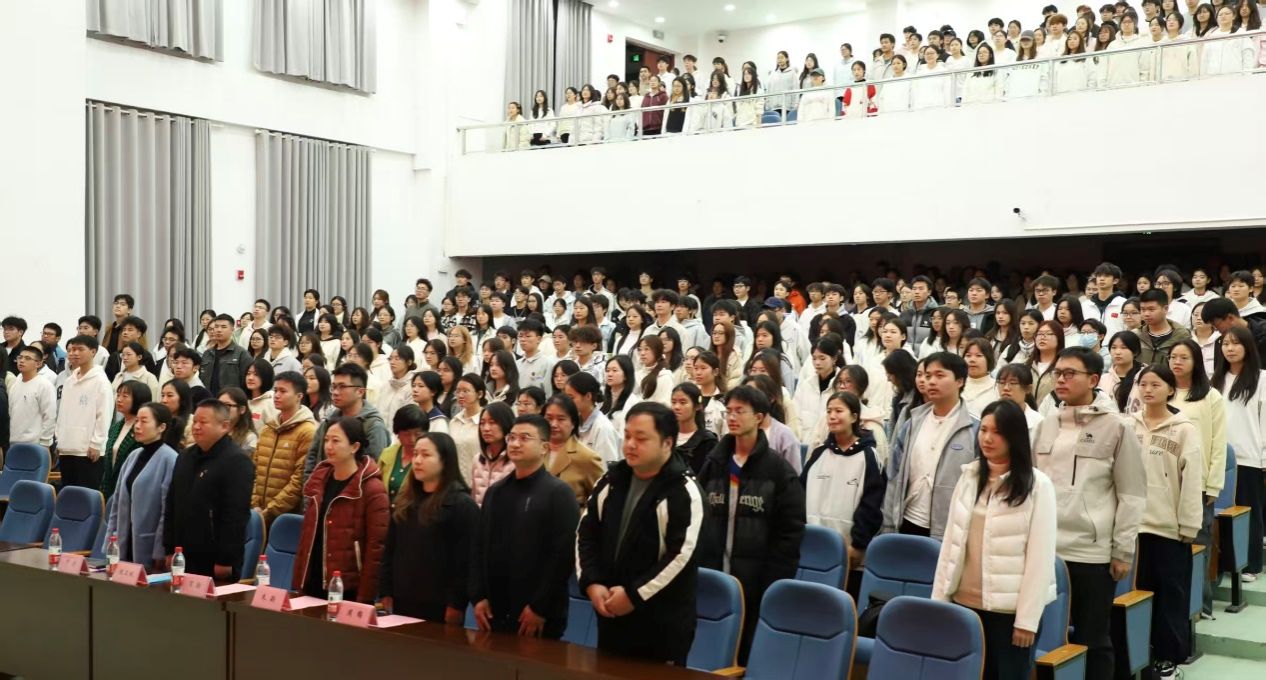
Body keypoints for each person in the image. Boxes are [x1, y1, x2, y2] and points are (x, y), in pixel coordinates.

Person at [1032, 346, 1145, 680]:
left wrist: (1122, 550)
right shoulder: (1045, 424)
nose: (1061, 380)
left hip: (1090, 551)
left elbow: (1132, 494)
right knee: (1045, 639)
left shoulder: (1117, 427)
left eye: (1070, 374)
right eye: (1058, 373)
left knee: (1092, 638)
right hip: (1046, 549)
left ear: (1094, 379)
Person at [932, 400, 1058, 680]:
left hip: (1009, 613)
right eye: (984, 430)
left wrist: (1027, 620)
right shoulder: (969, 476)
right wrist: (940, 601)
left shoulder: (1038, 486)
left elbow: (1040, 559)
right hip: (964, 605)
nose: (987, 438)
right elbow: (950, 544)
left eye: (997, 432)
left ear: (1014, 437)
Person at [576, 401, 705, 665]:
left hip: (661, 623)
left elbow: (680, 557)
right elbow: (586, 533)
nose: (630, 445)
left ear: (667, 443)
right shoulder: (612, 479)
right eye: (627, 436)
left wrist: (634, 595)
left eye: (641, 438)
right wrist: (592, 582)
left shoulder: (684, 491)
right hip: (611, 613)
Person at [695, 385, 806, 663]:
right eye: (728, 411)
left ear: (758, 417)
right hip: (714, 575)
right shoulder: (714, 463)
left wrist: (772, 581)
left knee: (746, 654)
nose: (732, 417)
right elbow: (697, 516)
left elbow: (790, 532)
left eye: (740, 411)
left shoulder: (778, 470)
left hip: (756, 582)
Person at [471, 415, 580, 639]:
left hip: (537, 613)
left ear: (544, 448)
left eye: (524, 438)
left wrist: (540, 607)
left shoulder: (559, 493)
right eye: (511, 438)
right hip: (495, 609)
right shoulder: (496, 491)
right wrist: (478, 596)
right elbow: (479, 546)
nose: (515, 443)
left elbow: (562, 557)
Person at [1132, 365, 1203, 676]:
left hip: (1168, 528)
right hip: (1132, 527)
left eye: (1155, 385)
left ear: (1171, 390)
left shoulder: (1184, 429)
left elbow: (1192, 480)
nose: (1148, 390)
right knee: (1138, 595)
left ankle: (1169, 658)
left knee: (1169, 596)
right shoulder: (1128, 424)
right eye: (1143, 384)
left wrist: (1189, 525)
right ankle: (1140, 654)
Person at [378, 431, 478, 622]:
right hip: (402, 598)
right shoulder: (405, 501)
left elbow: (465, 562)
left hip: (439, 603)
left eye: (426, 455)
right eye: (415, 454)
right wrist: (385, 591)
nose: (417, 460)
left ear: (445, 460)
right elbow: (390, 550)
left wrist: (456, 604)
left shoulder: (461, 505)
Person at [882, 351, 979, 539]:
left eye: (939, 375)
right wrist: (888, 523)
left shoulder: (974, 429)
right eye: (927, 376)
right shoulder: (912, 423)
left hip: (950, 529)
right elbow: (894, 475)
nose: (931, 382)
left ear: (960, 381)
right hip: (907, 520)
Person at [294, 416, 389, 604]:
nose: (329, 446)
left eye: (336, 441)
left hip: (347, 587)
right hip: (313, 578)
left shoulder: (371, 488)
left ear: (355, 447)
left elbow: (376, 548)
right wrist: (299, 580)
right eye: (327, 440)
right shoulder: (319, 480)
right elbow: (307, 537)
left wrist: (365, 596)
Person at [163, 400, 255, 582]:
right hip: (182, 554)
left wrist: (225, 559)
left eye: (203, 422)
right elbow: (171, 504)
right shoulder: (185, 457)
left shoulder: (237, 461)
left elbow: (236, 516)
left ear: (224, 426)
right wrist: (169, 548)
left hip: (215, 559)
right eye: (195, 421)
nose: (196, 427)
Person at [802, 391, 886, 571]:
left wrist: (858, 544)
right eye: (829, 411)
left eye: (839, 411)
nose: (832, 416)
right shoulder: (819, 453)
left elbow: (871, 505)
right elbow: (800, 493)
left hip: (849, 550)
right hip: (811, 545)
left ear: (854, 417)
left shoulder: (869, 456)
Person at [102, 402, 180, 571]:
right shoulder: (134, 455)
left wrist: (160, 550)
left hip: (149, 547)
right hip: (123, 543)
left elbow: (167, 511)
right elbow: (117, 502)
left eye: (144, 421)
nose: (137, 426)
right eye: (136, 421)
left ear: (161, 427)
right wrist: (110, 540)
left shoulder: (170, 459)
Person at [303, 363, 391, 479]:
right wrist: (311, 488)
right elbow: (312, 458)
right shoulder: (329, 421)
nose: (335, 392)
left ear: (360, 392)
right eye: (334, 387)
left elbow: (371, 470)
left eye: (342, 387)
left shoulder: (373, 426)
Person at [251, 371, 316, 523]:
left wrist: (270, 511)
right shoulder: (268, 429)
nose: (277, 395)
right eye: (275, 390)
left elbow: (299, 480)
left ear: (299, 396)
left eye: (283, 391)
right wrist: (254, 504)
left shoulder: (307, 432)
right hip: (257, 512)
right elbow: (255, 469)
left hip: (285, 517)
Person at [56, 334, 115, 489]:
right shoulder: (69, 381)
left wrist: (96, 444)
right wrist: (59, 439)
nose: (74, 353)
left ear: (93, 352)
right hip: (67, 447)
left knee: (85, 494)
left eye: (80, 349)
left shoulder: (101, 381)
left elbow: (104, 415)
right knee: (68, 493)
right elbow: (62, 414)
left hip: (87, 450)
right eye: (71, 350)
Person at [543, 394, 604, 507]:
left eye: (561, 419)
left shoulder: (586, 457)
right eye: (549, 418)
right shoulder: (535, 450)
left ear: (573, 423)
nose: (553, 424)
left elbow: (600, 500)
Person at [100, 381, 152, 503]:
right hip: (110, 489)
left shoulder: (144, 430)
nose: (119, 399)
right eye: (118, 395)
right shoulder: (115, 427)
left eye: (125, 396)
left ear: (139, 399)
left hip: (131, 490)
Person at [565, 371, 621, 465]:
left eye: (571, 398)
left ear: (588, 396)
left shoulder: (603, 428)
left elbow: (605, 467)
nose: (567, 402)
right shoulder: (575, 421)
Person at [8, 345, 56, 448]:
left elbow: (50, 416)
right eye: (20, 357)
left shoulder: (44, 385)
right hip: (14, 442)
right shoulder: (15, 384)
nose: (22, 361)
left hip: (35, 443)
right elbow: (11, 412)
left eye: (27, 358)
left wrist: (45, 442)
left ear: (38, 364)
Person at [671, 382, 718, 474]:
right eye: (673, 402)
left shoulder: (707, 441)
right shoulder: (664, 436)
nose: (676, 407)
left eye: (683, 402)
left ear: (697, 406)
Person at [199, 314, 251, 395]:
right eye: (216, 327)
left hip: (230, 400)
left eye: (223, 327)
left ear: (232, 330)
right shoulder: (207, 353)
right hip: (208, 399)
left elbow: (247, 382)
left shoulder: (241, 354)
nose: (218, 330)